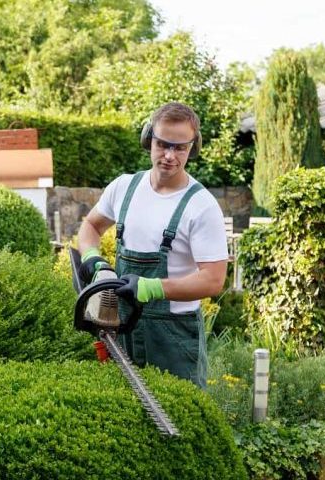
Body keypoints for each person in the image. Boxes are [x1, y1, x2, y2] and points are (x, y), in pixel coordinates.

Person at [76, 102, 228, 388]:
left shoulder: (201, 205)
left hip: (173, 337)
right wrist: (94, 261)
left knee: (181, 421)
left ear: (192, 149)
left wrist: (152, 287)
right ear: (149, 140)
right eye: (162, 144)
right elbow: (90, 226)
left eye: (180, 147)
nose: (169, 155)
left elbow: (213, 280)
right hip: (121, 327)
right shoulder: (124, 188)